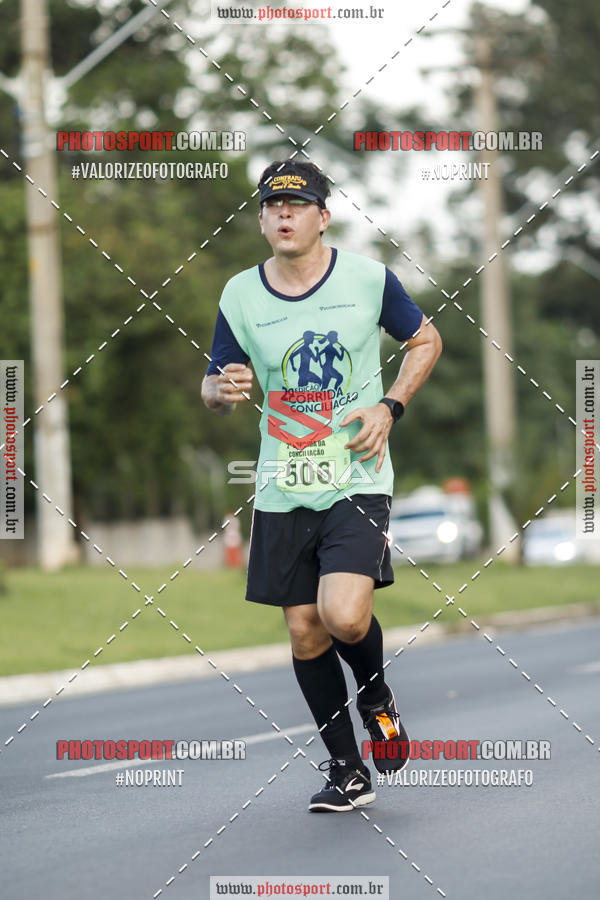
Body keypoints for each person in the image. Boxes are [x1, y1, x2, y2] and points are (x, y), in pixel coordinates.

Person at [202, 161, 442, 812]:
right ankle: (347, 769)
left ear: (322, 216)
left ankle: (377, 697)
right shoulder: (240, 295)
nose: (284, 215)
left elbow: (425, 340)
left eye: (298, 205)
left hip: (356, 478)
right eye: (273, 207)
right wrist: (220, 391)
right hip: (282, 483)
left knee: (342, 614)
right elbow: (213, 384)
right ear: (260, 219)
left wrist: (389, 407)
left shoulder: (368, 279)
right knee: (306, 631)